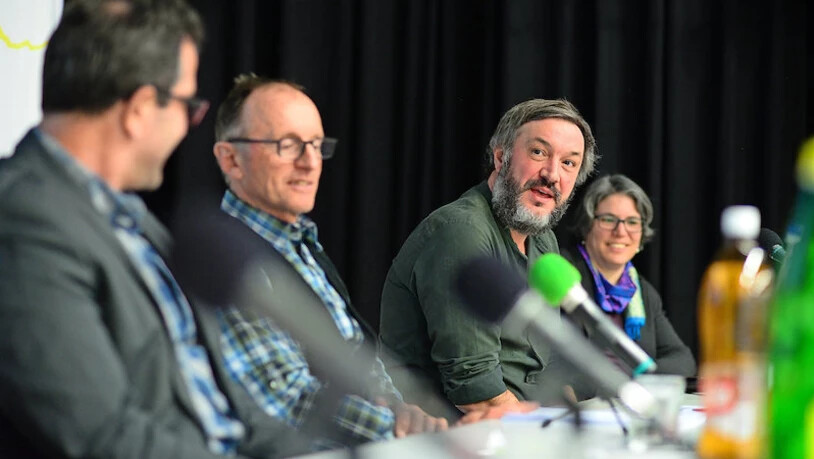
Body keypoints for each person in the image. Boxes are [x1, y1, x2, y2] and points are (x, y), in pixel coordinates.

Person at [0, 1, 310, 457]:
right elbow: (105, 437)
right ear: (141, 109)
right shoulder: (24, 221)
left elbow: (231, 405)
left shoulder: (137, 222)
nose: (190, 125)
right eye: (189, 105)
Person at [211, 74, 448, 448]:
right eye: (288, 145)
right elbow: (288, 398)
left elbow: (362, 361)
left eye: (316, 145)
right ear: (231, 160)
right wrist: (401, 431)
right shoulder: (225, 257)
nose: (310, 163)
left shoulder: (301, 244)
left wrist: (405, 414)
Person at [379, 99, 599, 420]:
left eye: (569, 163)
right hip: (450, 435)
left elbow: (545, 361)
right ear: (501, 157)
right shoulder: (462, 231)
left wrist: (570, 420)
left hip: (516, 422)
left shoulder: (542, 240)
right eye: (538, 152)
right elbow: (476, 390)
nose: (552, 174)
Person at [561, 174, 696, 379]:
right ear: (587, 225)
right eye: (608, 220)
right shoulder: (564, 277)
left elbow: (682, 359)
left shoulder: (642, 291)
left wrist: (634, 380)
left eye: (632, 222)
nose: (621, 232)